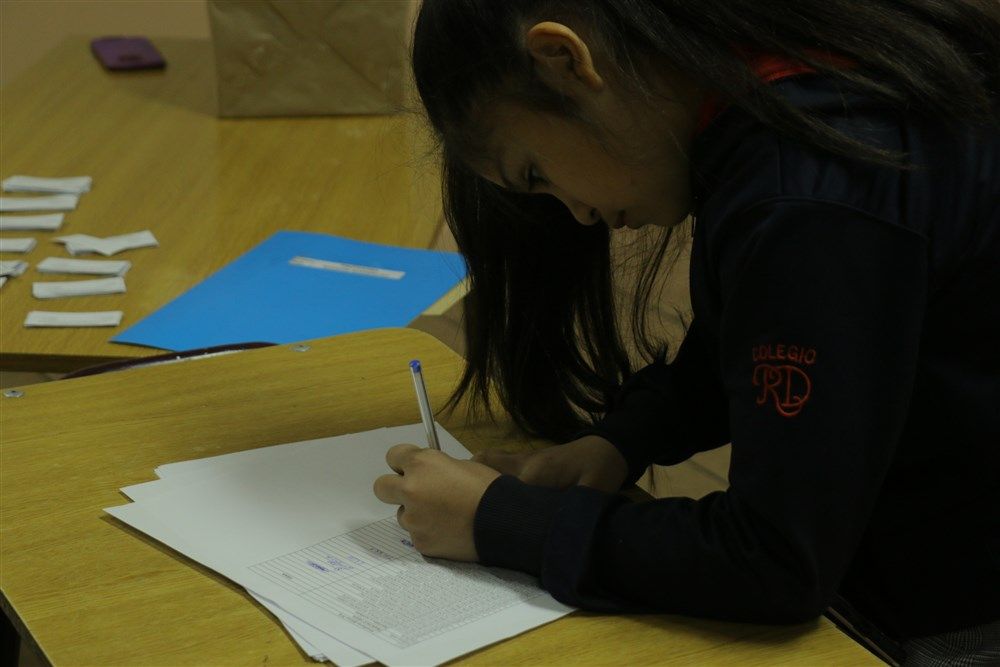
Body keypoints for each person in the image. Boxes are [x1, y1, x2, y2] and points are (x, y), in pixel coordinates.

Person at [372, 1, 1000, 663]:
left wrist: (499, 521)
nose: (576, 213)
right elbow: (768, 335)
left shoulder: (812, 196)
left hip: (949, 625)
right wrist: (621, 441)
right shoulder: (787, 91)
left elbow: (774, 561)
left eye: (536, 174)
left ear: (564, 61)